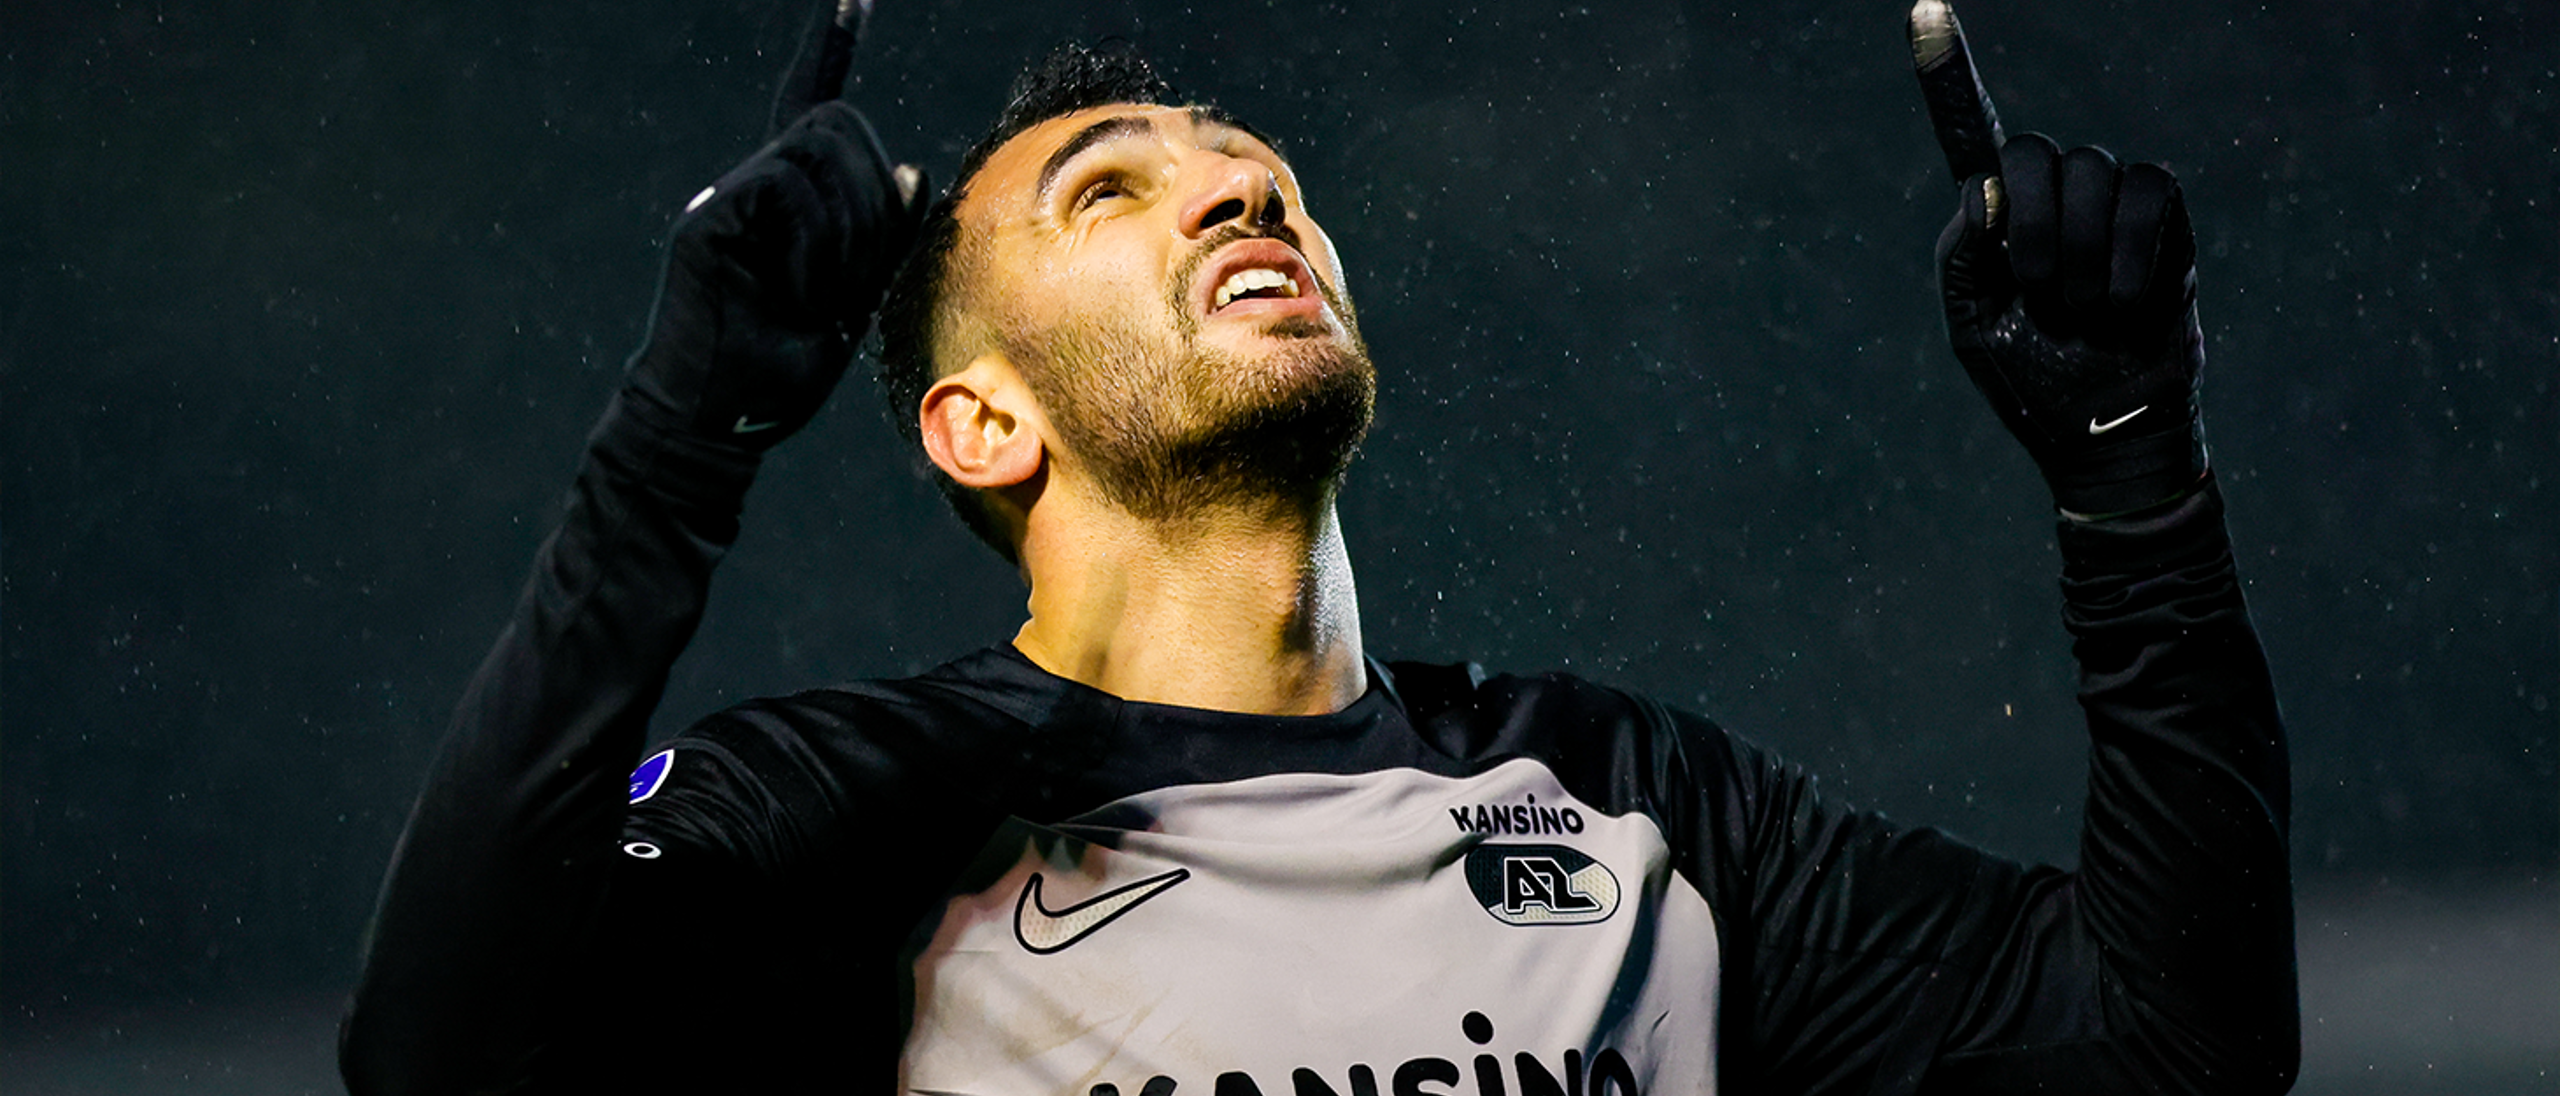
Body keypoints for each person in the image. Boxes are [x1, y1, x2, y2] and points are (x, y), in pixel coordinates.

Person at [339, 17, 2299, 1096]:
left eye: (1254, 172)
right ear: (980, 423)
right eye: (1111, 190)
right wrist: (680, 432)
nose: (1235, 190)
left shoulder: (1631, 800)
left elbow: (2179, 1048)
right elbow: (438, 1054)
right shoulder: (860, 807)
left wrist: (2128, 469)